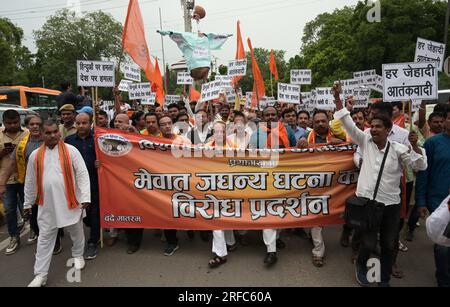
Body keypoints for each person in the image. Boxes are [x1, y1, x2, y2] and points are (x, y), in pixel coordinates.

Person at [333, 83, 427, 287]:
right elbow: (346, 121)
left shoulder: (400, 148)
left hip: (390, 205)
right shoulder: (364, 140)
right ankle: (361, 265)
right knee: (367, 243)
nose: (373, 129)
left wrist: (417, 148)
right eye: (372, 126)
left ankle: (382, 278)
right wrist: (338, 98)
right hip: (367, 203)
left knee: (387, 244)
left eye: (378, 127)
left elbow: (420, 165)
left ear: (388, 130)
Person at [25, 119, 91, 287]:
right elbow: (30, 181)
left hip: (71, 202)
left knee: (76, 231)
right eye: (48, 133)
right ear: (41, 134)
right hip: (46, 205)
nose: (53, 135)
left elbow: (82, 174)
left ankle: (77, 255)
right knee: (44, 239)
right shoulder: (35, 155)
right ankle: (40, 274)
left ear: (59, 132)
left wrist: (85, 197)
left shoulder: (71, 151)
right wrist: (27, 203)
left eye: (55, 131)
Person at [248, 106, 295, 266]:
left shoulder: (287, 131)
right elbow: (250, 156)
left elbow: (295, 151)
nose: (270, 117)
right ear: (262, 116)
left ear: (278, 116)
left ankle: (277, 237)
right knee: (268, 213)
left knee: (281, 210)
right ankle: (271, 250)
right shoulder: (256, 134)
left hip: (284, 178)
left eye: (273, 114)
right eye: (266, 115)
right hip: (264, 179)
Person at [415, 107, 450, 287]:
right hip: (440, 204)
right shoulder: (433, 143)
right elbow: (423, 174)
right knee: (443, 246)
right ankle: (443, 281)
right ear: (445, 121)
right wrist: (420, 201)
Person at [65, 112, 100, 260]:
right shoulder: (68, 140)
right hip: (76, 184)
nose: (81, 126)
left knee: (94, 213)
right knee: (83, 215)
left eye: (84, 123)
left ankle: (93, 241)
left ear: (90, 123)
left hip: (95, 181)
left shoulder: (98, 139)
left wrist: (101, 162)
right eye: (78, 123)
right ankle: (91, 229)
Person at [156, 115, 192, 256]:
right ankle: (172, 242)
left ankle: (191, 229)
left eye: (169, 123)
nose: (167, 126)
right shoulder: (154, 142)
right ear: (160, 127)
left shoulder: (183, 140)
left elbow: (193, 159)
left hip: (183, 181)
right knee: (167, 213)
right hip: (164, 185)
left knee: (186, 209)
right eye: (163, 124)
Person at [0, 110, 28, 255]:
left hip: (26, 178)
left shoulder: (28, 133)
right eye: (9, 123)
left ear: (19, 121)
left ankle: (35, 231)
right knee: (9, 210)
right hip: (7, 180)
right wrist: (3, 153)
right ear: (4, 122)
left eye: (15, 122)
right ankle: (14, 237)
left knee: (28, 208)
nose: (12, 125)